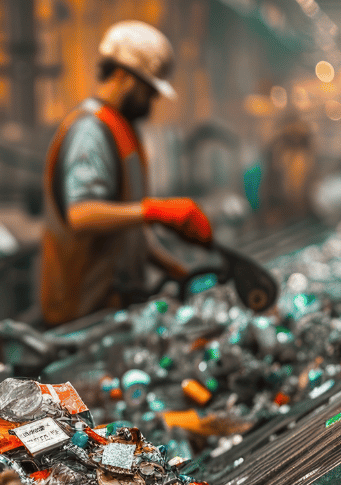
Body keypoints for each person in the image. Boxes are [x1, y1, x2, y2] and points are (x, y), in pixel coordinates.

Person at [40, 21, 215, 328]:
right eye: (148, 90)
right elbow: (81, 214)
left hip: (115, 308)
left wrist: (177, 270)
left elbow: (128, 233)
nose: (152, 101)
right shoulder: (90, 130)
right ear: (122, 76)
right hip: (83, 315)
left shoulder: (123, 132)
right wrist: (157, 210)